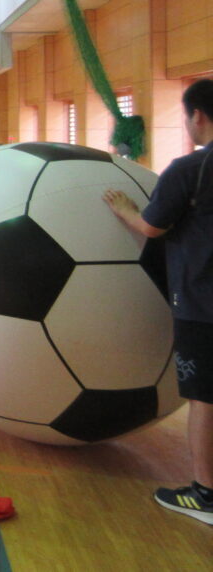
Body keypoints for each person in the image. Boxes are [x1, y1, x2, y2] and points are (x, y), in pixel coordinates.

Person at [104, 79, 213, 524]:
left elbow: (152, 226)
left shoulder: (190, 169)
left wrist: (125, 209)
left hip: (202, 304)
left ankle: (205, 494)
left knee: (204, 398)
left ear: (197, 116)